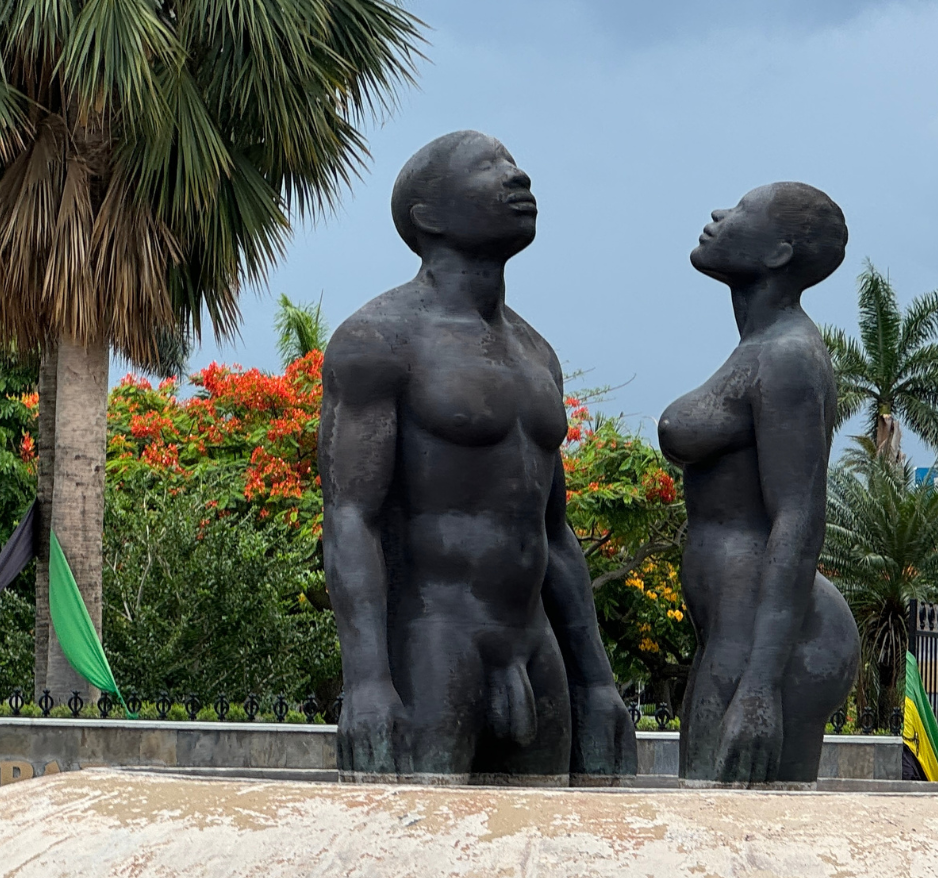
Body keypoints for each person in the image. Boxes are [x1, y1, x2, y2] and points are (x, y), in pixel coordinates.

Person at [319, 131, 634, 783]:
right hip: (433, 638)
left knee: (546, 855)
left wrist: (596, 680)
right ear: (426, 215)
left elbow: (556, 534)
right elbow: (352, 518)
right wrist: (369, 682)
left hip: (533, 641)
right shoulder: (379, 339)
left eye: (515, 163)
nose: (517, 178)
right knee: (417, 852)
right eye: (489, 168)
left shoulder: (537, 353)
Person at [658, 183, 861, 784]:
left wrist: (760, 686)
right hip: (740, 626)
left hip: (778, 642)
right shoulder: (761, 349)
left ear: (777, 254)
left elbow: (799, 517)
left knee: (732, 826)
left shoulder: (788, 356)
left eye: (741, 211)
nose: (719, 214)